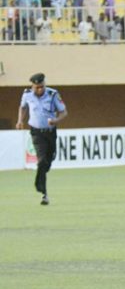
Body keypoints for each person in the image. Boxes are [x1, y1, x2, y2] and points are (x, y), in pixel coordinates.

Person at [15, 73, 68, 205]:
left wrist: (55, 120)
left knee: (48, 160)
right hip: (36, 132)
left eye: (42, 86)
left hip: (50, 132)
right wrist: (20, 121)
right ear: (32, 86)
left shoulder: (53, 94)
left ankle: (42, 175)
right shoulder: (27, 94)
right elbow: (23, 107)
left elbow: (64, 112)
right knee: (42, 160)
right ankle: (44, 193)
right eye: (37, 87)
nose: (40, 89)